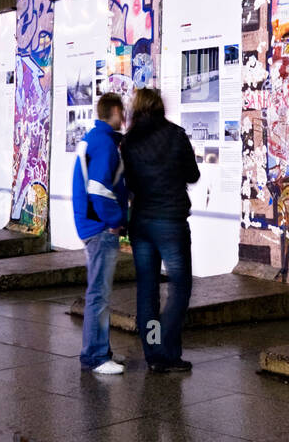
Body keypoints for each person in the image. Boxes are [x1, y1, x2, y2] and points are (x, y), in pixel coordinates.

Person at [120, 87, 199, 373]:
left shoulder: (129, 143)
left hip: (141, 223)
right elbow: (193, 174)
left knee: (148, 291)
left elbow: (128, 183)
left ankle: (155, 353)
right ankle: (167, 347)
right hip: (171, 222)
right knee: (180, 287)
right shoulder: (176, 135)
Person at [73, 92, 129, 375]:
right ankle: (95, 356)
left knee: (98, 292)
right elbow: (97, 188)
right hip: (100, 227)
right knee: (99, 294)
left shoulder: (93, 139)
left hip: (91, 225)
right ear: (116, 111)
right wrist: (115, 220)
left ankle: (97, 351)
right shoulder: (105, 144)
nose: (125, 117)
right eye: (123, 112)